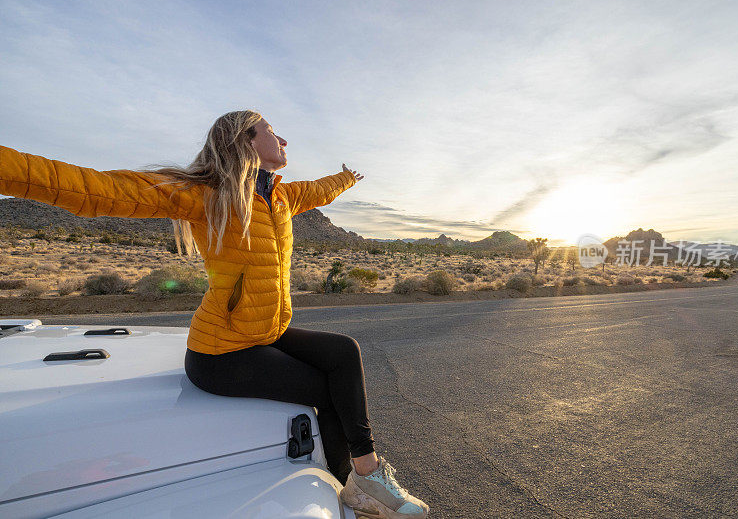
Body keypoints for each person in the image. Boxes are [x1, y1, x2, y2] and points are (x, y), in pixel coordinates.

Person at [0, 109, 429, 519]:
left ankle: (358, 484)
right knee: (327, 388)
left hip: (263, 333)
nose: (282, 139)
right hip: (220, 353)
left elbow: (318, 189)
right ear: (245, 140)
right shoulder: (206, 195)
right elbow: (94, 189)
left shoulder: (280, 196)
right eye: (270, 130)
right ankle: (363, 479)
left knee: (343, 352)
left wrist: (346, 178)